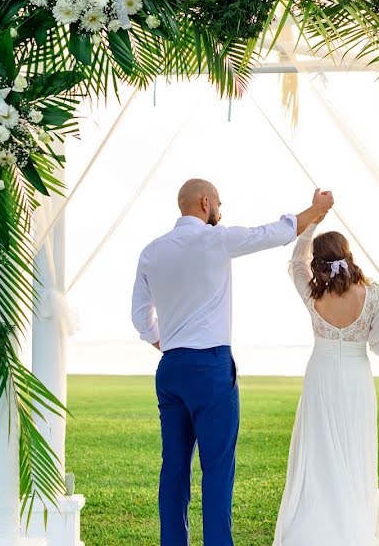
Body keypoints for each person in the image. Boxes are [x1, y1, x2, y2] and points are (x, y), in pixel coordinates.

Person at [131, 178, 335, 546]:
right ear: (205, 202)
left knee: (174, 468)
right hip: (211, 368)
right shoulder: (216, 239)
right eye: (219, 204)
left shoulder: (151, 251)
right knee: (218, 470)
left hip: (171, 369)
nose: (220, 212)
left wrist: (167, 341)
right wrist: (317, 210)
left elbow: (140, 318)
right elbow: (273, 232)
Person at [273, 214, 379, 546]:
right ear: (348, 254)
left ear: (319, 262)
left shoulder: (312, 293)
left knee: (319, 451)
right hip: (355, 378)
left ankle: (314, 528)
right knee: (354, 449)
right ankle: (352, 528)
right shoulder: (370, 295)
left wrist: (313, 220)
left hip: (321, 376)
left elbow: (295, 260)